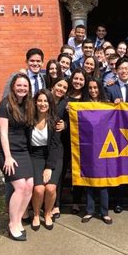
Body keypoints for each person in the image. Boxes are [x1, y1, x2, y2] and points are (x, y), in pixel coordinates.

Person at [0, 73, 35, 241]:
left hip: (23, 150)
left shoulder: (27, 105)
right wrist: (8, 157)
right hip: (7, 151)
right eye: (19, 85)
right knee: (19, 187)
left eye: (25, 86)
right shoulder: (5, 105)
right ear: (13, 87)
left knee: (29, 186)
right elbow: (3, 133)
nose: (22, 88)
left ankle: (18, 220)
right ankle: (12, 224)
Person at [105, 57, 128, 213]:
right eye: (121, 69)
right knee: (118, 165)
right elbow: (104, 110)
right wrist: (112, 105)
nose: (124, 71)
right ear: (116, 71)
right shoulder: (110, 88)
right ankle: (118, 201)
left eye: (127, 68)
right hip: (117, 133)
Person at [29, 89, 63, 231]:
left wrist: (49, 167)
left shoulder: (55, 121)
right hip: (34, 156)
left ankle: (48, 213)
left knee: (50, 188)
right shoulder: (28, 119)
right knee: (38, 189)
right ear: (35, 102)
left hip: (53, 155)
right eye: (40, 100)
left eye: (46, 101)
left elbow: (55, 145)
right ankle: (36, 214)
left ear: (50, 103)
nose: (43, 104)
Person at [80, 78, 113, 225]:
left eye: (96, 88)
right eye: (90, 88)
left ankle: (104, 212)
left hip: (104, 146)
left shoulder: (107, 105)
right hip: (88, 147)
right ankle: (89, 211)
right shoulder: (83, 106)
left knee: (103, 180)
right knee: (89, 179)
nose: (93, 91)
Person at [65, 68, 88, 214]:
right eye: (76, 78)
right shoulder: (65, 96)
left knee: (79, 170)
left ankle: (77, 201)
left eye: (81, 79)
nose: (78, 82)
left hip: (83, 141)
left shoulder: (87, 98)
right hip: (65, 138)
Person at [50, 77, 69, 220]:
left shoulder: (66, 104)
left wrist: (65, 125)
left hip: (59, 144)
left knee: (58, 176)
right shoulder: (44, 99)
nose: (61, 89)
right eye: (59, 85)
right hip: (41, 145)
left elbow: (74, 121)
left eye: (64, 88)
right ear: (53, 85)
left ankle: (56, 204)